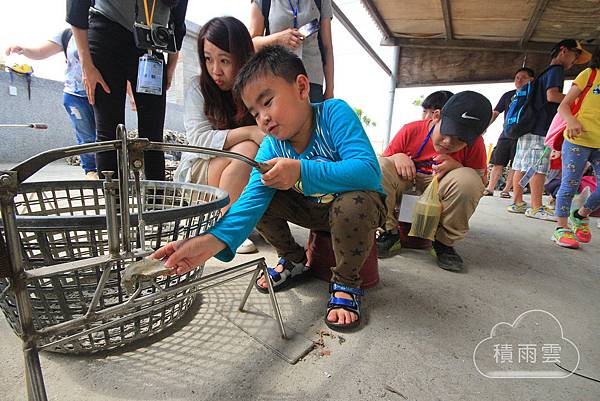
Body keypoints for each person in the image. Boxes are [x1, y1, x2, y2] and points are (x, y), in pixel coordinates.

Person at [151, 46, 386, 332]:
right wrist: (211, 241)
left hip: (353, 211)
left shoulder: (333, 114)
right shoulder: (272, 145)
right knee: (261, 193)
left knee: (355, 203)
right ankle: (294, 259)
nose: (262, 118)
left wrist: (300, 170)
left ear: (301, 87)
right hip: (312, 210)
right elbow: (250, 201)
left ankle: (347, 282)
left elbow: (369, 171)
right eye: (254, 112)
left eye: (268, 101)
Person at [66, 0, 188, 180]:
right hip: (106, 33)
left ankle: (156, 204)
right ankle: (114, 205)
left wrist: (171, 66)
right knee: (110, 135)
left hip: (152, 43)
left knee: (153, 136)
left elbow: (178, 21)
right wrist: (87, 65)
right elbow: (77, 7)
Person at [174, 17, 264, 254]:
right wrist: (249, 132)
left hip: (236, 174)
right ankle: (225, 229)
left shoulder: (254, 88)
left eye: (224, 60)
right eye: (208, 59)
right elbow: (198, 141)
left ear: (242, 58)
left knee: (254, 151)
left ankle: (230, 220)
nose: (215, 70)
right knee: (247, 148)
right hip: (199, 174)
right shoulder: (198, 89)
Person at [377, 91, 492, 272]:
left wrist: (458, 167)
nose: (448, 142)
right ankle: (389, 233)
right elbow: (383, 165)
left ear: (478, 135)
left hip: (440, 192)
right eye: (448, 132)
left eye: (461, 140)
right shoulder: (411, 129)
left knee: (469, 180)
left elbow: (481, 181)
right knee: (380, 165)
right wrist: (396, 157)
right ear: (437, 116)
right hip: (407, 186)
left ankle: (443, 244)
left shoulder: (476, 144)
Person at [508, 39, 591, 220]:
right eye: (574, 55)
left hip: (527, 127)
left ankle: (518, 203)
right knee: (539, 167)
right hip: (540, 127)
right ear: (563, 51)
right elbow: (552, 96)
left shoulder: (544, 73)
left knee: (521, 165)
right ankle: (536, 207)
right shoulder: (556, 70)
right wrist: (575, 100)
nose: (574, 61)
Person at [5, 29, 98, 179]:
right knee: (86, 135)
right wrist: (24, 50)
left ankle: (110, 168)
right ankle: (91, 170)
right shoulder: (67, 34)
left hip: (101, 92)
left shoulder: (102, 29)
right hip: (75, 93)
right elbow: (41, 51)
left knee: (105, 135)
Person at [552, 49, 600, 248]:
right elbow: (563, 106)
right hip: (577, 139)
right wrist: (571, 121)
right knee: (570, 184)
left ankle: (580, 215)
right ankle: (561, 228)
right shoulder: (590, 74)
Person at [249, 0, 334, 103]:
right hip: (277, 77)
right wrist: (277, 39)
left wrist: (330, 89)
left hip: (312, 81)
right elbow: (251, 44)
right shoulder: (263, 2)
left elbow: (327, 46)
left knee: (313, 117)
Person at [483, 67, 535, 198]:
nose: (519, 80)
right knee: (498, 160)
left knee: (515, 163)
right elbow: (496, 112)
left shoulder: (533, 96)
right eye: (517, 77)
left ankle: (506, 189)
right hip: (506, 132)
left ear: (531, 80)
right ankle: (490, 188)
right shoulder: (508, 95)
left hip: (523, 134)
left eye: (523, 77)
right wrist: (485, 126)